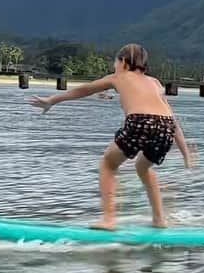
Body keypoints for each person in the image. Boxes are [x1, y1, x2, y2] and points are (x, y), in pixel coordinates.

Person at [31, 43, 192, 229]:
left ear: (123, 62)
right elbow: (172, 120)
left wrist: (52, 100)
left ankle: (108, 220)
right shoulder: (155, 83)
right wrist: (186, 155)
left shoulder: (119, 77)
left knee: (108, 164)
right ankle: (159, 220)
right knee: (143, 168)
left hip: (140, 121)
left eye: (115, 62)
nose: (114, 66)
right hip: (165, 127)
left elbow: (84, 90)